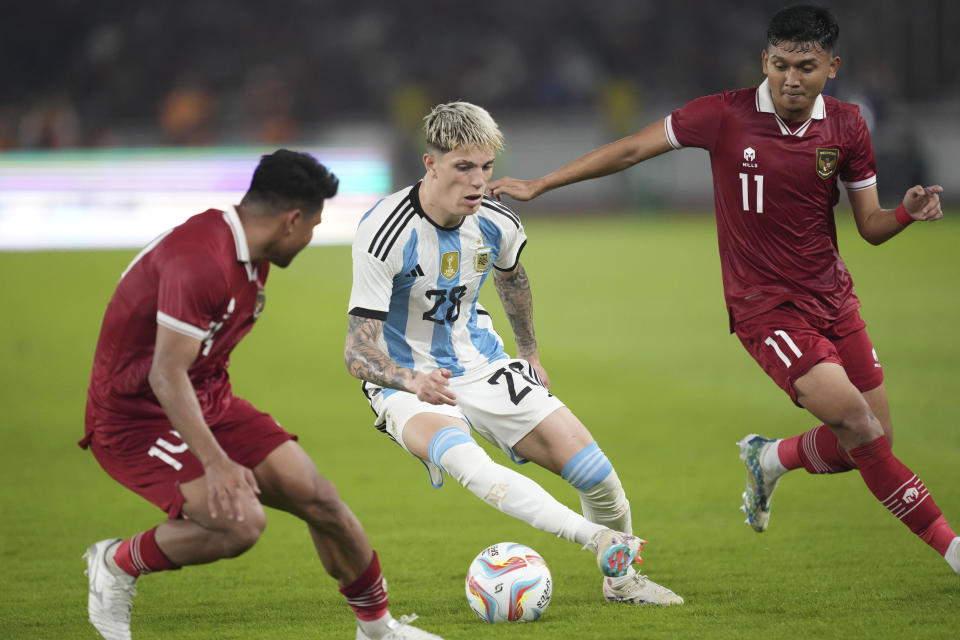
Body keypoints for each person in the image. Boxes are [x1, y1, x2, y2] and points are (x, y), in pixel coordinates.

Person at [488, 4, 959, 575]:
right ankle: (952, 550)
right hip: (767, 310)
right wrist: (542, 183)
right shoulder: (723, 115)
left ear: (832, 67)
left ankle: (772, 457)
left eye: (805, 66)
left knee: (872, 440)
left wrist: (906, 214)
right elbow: (633, 148)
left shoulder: (849, 125)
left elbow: (870, 227)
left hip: (836, 300)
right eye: (780, 64)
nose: (790, 78)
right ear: (764, 60)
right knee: (861, 427)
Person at [80, 150, 444, 640]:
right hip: (134, 416)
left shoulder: (251, 253)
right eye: (313, 225)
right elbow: (165, 376)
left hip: (208, 398)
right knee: (239, 523)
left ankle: (378, 630)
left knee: (319, 498)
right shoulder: (200, 262)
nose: (312, 237)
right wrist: (218, 462)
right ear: (292, 220)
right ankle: (116, 562)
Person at [344, 101, 684, 607]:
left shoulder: (495, 221)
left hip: (481, 362)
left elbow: (512, 278)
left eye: (486, 167)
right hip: (407, 379)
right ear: (430, 164)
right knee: (474, 467)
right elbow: (358, 351)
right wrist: (411, 382)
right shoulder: (385, 230)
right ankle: (601, 544)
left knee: (598, 477)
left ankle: (621, 584)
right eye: (463, 167)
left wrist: (528, 351)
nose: (478, 182)